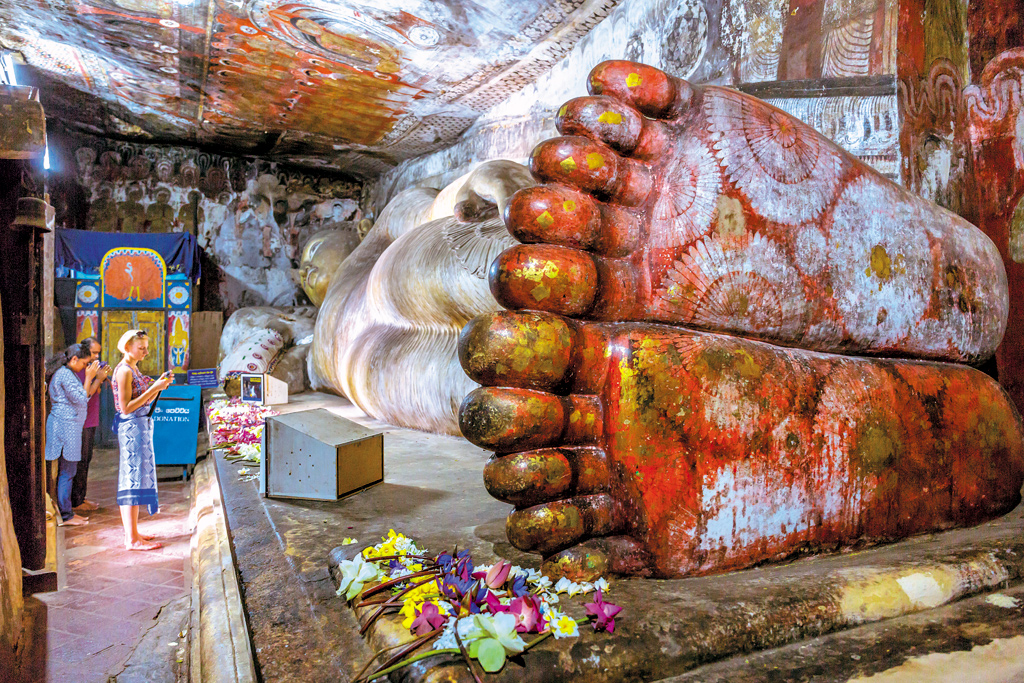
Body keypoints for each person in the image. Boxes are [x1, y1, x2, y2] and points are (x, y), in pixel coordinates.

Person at [111, 329, 172, 551]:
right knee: (131, 480)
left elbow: (142, 400)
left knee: (137, 478)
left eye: (147, 347)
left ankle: (134, 532)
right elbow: (126, 407)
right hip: (131, 429)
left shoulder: (133, 368)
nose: (146, 352)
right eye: (141, 348)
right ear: (127, 347)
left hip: (140, 427)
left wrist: (159, 386)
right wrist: (154, 388)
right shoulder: (124, 371)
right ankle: (131, 539)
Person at [44, 343, 102, 526]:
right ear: (74, 359)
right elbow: (81, 398)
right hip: (65, 425)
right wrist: (91, 377)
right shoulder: (65, 375)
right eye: (85, 364)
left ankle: (66, 511)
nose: (86, 368)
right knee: (67, 471)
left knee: (68, 470)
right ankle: (67, 515)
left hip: (68, 424)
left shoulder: (66, 373)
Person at [71, 337, 109, 512]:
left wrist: (103, 377)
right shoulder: (79, 370)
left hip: (91, 418)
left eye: (98, 352)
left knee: (86, 459)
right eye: (94, 352)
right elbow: (84, 397)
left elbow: (98, 390)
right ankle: (76, 501)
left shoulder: (92, 369)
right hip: (81, 421)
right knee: (81, 460)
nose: (96, 356)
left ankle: (81, 497)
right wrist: (97, 379)